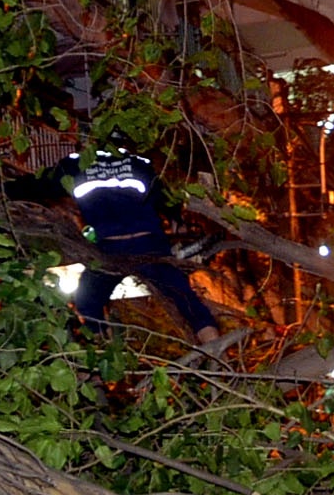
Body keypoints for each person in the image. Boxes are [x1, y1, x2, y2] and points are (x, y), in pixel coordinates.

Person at [61, 148, 223, 346]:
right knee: (187, 301)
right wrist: (177, 219)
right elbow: (163, 196)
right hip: (148, 243)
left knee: (87, 301)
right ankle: (218, 357)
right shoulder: (138, 162)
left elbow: (41, 184)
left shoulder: (74, 164)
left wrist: (12, 191)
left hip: (111, 249)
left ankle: (104, 355)